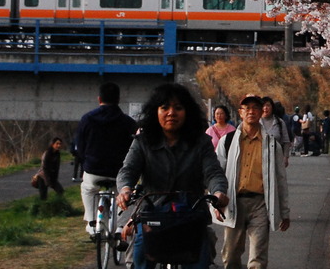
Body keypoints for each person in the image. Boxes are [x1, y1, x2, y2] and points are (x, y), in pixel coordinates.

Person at [116, 83, 230, 269]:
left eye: (178, 108)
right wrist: (125, 189)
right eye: (165, 108)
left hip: (191, 214)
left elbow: (213, 172)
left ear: (188, 112)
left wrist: (218, 192)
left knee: (201, 258)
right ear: (156, 112)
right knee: (140, 254)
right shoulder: (143, 141)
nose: (171, 113)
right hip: (152, 213)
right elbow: (128, 170)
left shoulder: (201, 142)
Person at [215, 94, 291, 269]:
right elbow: (216, 174)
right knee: (230, 255)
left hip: (260, 204)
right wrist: (216, 203)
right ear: (240, 113)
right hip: (234, 202)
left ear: (261, 112)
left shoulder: (272, 145)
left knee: (258, 257)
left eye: (255, 108)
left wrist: (284, 212)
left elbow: (280, 180)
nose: (251, 112)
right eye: (247, 108)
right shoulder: (227, 142)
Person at [76, 81, 138, 237]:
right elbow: (137, 149)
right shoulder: (128, 123)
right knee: (126, 192)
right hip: (118, 171)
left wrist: (86, 162)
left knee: (88, 189)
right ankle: (120, 227)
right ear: (118, 100)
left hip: (93, 169)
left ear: (99, 99)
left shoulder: (87, 119)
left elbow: (79, 147)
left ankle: (91, 223)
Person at [260, 97, 291, 168]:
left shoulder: (279, 122)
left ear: (272, 107)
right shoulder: (256, 123)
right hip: (259, 159)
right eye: (263, 105)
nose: (265, 108)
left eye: (268, 105)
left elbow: (286, 141)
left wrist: (286, 157)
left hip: (276, 158)